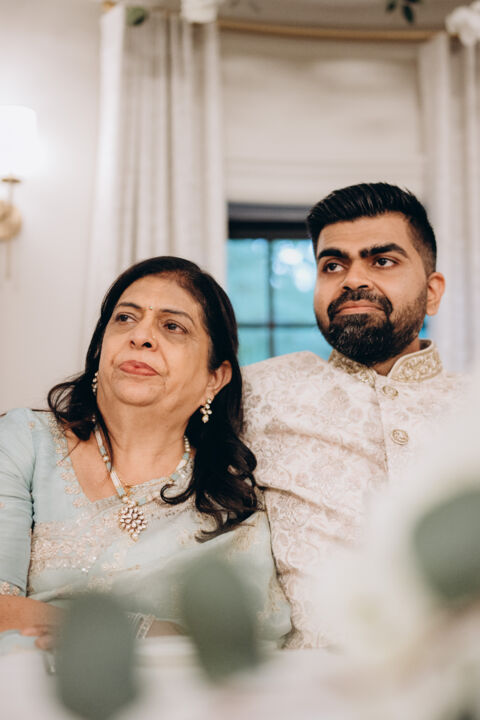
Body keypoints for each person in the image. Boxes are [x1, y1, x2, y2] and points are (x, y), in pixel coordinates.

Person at [0, 256, 291, 653]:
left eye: (173, 326)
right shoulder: (24, 442)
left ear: (215, 377)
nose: (141, 336)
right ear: (100, 347)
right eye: (125, 319)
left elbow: (242, 651)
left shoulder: (232, 506)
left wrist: (99, 629)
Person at [242, 182, 466, 649]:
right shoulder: (257, 391)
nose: (352, 280)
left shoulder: (472, 407)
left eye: (382, 261)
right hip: (309, 680)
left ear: (432, 292)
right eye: (332, 265)